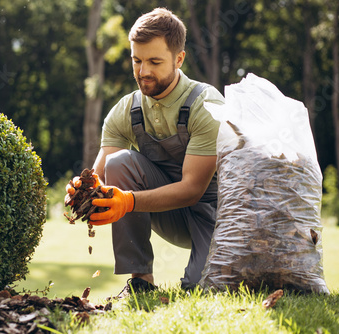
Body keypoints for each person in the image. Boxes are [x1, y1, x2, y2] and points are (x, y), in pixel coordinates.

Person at [67, 8, 225, 297]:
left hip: (214, 216)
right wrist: (82, 189)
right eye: (137, 60)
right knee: (120, 162)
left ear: (179, 59)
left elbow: (191, 190)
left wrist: (127, 202)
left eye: (154, 61)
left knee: (198, 287)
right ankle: (141, 282)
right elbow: (101, 177)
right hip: (165, 212)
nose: (143, 72)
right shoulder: (126, 110)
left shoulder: (206, 105)